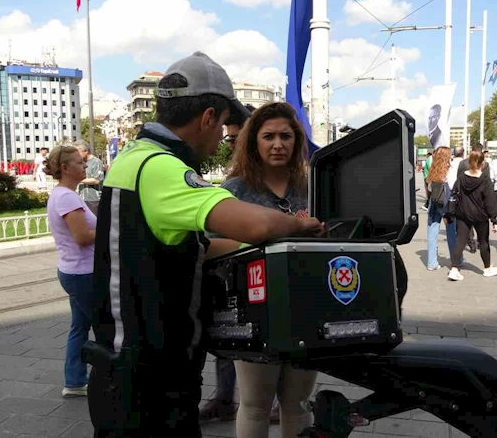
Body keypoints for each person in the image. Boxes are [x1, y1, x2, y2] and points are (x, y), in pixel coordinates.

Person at [86, 51, 324, 437]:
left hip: (129, 363)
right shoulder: (160, 167)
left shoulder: (133, 157)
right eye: (224, 125)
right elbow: (256, 224)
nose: (222, 138)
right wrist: (307, 228)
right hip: (149, 373)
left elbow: (190, 248)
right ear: (209, 117)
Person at [218, 102, 317, 438]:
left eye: (286, 136)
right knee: (256, 404)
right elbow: (208, 246)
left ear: (297, 141)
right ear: (253, 142)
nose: (278, 144)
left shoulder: (313, 190)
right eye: (269, 136)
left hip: (308, 307)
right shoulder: (234, 192)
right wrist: (261, 247)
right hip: (255, 310)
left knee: (299, 403)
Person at [199, 102, 281, 425]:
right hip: (244, 296)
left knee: (293, 400)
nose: (231, 146)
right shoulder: (233, 187)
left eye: (236, 139)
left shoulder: (305, 184)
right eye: (228, 140)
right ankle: (224, 397)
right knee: (250, 396)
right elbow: (207, 243)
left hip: (289, 301)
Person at [45, 145, 97, 398]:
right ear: (65, 168)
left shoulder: (64, 194)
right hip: (83, 273)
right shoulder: (66, 197)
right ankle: (110, 379)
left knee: (80, 327)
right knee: (104, 325)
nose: (84, 165)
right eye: (79, 162)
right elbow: (83, 238)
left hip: (75, 271)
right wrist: (113, 228)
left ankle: (74, 381)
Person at [447, 149, 497, 281]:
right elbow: (490, 200)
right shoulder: (485, 179)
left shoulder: (461, 177)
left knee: (460, 241)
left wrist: (449, 213)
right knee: (483, 242)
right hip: (480, 216)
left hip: (463, 214)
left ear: (469, 162)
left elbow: (454, 195)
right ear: (482, 163)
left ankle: (454, 269)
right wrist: (494, 219)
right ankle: (487, 268)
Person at [425, 147, 455, 271]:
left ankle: (431, 262)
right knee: (452, 232)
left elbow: (430, 188)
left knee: (432, 231)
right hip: (447, 203)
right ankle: (456, 259)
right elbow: (453, 186)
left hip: (434, 202)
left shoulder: (433, 170)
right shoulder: (450, 170)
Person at [73, 141, 104, 216]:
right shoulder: (80, 162)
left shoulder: (96, 162)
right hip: (81, 197)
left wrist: (78, 180)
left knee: (93, 224)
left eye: (78, 152)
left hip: (93, 199)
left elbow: (97, 180)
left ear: (86, 151)